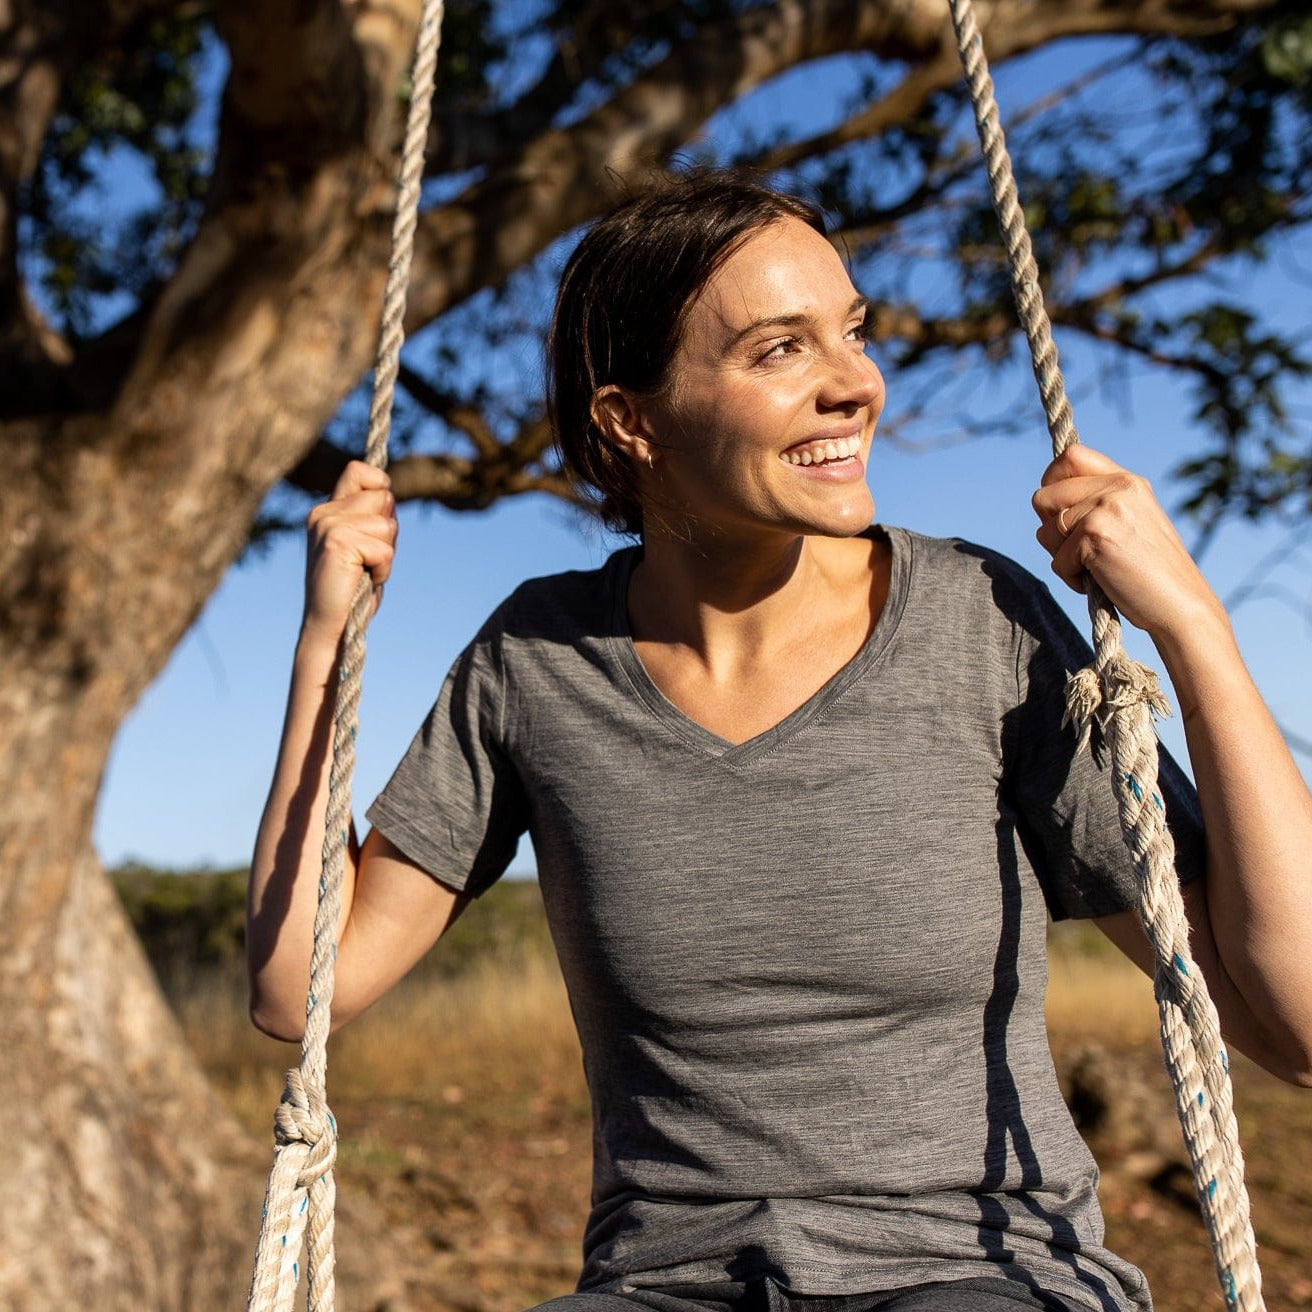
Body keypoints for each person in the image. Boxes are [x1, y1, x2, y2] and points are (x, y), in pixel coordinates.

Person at [248, 172, 1312, 1312]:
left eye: (852, 333)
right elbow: (300, 985)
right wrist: (325, 645)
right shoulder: (537, 661)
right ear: (631, 421)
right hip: (665, 1287)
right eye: (778, 350)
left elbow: (1291, 1021)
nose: (854, 384)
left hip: (980, 1274)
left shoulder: (980, 624)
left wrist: (1193, 628)